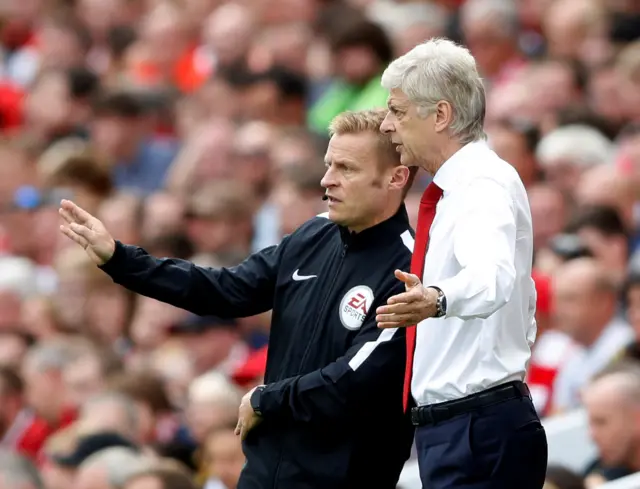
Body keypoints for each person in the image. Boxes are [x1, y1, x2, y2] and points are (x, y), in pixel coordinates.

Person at [59, 108, 416, 489]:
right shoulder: (312, 236)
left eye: (346, 168)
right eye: (329, 165)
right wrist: (120, 259)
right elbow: (225, 289)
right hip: (264, 472)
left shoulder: (408, 268)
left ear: (395, 177)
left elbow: (352, 381)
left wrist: (267, 400)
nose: (328, 180)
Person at [376, 38, 547, 489]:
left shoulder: (481, 183)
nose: (387, 126)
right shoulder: (459, 187)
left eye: (397, 111)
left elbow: (492, 279)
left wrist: (435, 299)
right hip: (462, 427)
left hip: (477, 428)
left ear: (441, 115)